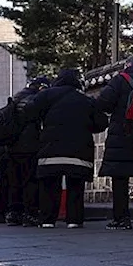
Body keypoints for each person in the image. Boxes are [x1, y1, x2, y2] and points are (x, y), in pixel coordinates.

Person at [25, 69, 108, 228]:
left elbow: (29, 112)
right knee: (75, 186)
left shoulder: (46, 96)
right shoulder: (86, 100)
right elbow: (102, 122)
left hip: (50, 148)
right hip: (79, 151)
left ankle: (48, 219)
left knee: (49, 185)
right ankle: (74, 220)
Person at [96, 55, 133, 230]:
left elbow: (103, 103)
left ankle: (122, 218)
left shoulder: (119, 80)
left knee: (120, 180)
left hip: (121, 135)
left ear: (127, 66)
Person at [2, 77, 48, 226]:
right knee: (30, 180)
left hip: (12, 145)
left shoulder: (16, 98)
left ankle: (14, 213)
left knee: (15, 181)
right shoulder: (36, 99)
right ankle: (30, 214)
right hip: (30, 145)